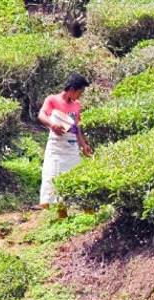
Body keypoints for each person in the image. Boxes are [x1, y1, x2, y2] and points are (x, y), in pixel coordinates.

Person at [38, 74, 94, 218]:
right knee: (54, 177)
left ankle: (89, 214)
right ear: (71, 89)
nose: (80, 96)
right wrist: (52, 125)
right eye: (79, 92)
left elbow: (76, 127)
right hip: (56, 147)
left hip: (71, 147)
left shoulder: (76, 105)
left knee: (79, 178)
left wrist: (83, 145)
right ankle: (62, 216)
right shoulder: (52, 100)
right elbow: (41, 115)